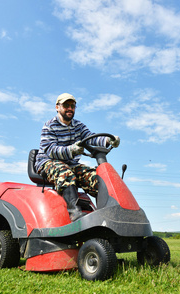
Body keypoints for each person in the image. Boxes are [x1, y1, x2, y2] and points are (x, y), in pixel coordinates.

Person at [35, 93, 120, 221]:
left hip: (71, 165)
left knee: (98, 177)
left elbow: (91, 138)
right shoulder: (49, 126)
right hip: (48, 162)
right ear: (57, 107)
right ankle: (74, 213)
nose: (70, 108)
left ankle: (108, 216)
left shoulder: (78, 126)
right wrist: (71, 150)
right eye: (66, 105)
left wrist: (108, 140)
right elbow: (50, 150)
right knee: (66, 174)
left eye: (72, 106)